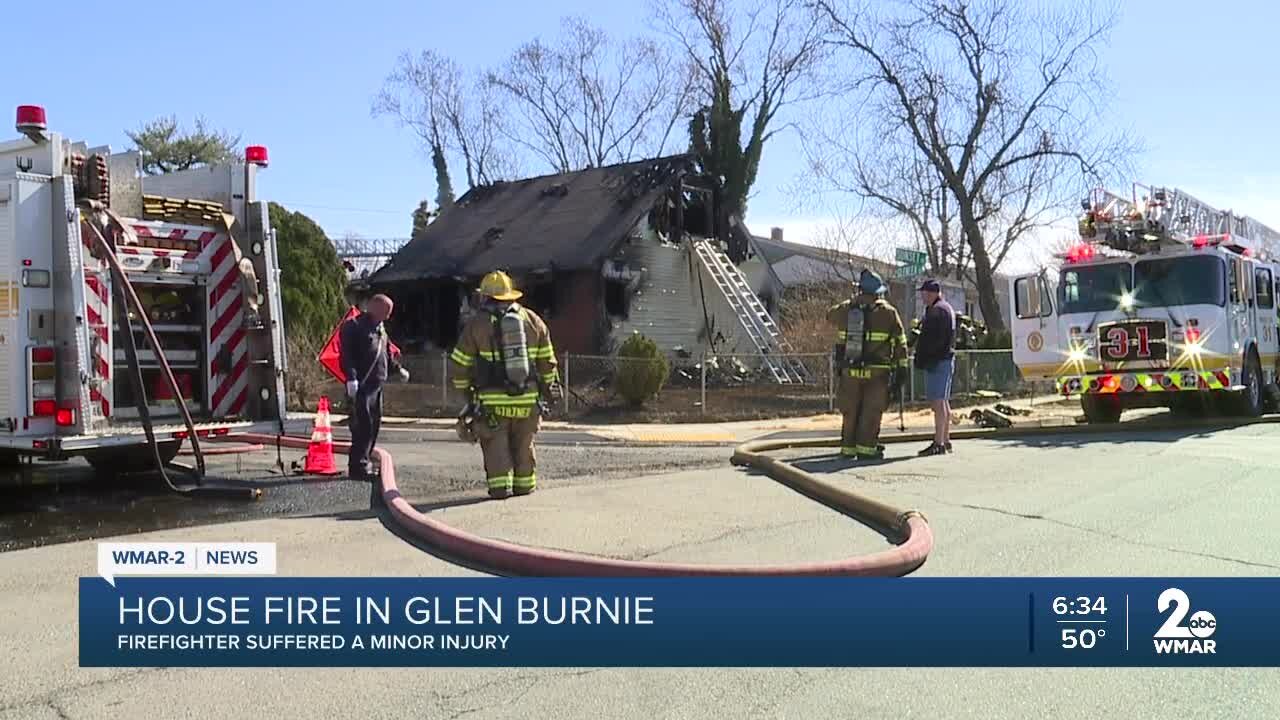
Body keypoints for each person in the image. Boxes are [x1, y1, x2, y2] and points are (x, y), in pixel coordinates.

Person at [450, 271, 563, 499]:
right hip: (527, 400)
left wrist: (466, 393)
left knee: (495, 446)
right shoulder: (533, 320)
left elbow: (460, 364)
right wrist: (550, 392)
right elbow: (547, 362)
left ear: (484, 297)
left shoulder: (476, 325)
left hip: (492, 404)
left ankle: (500, 489)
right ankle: (524, 487)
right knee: (524, 445)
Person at [826, 269, 909, 461]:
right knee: (871, 410)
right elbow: (900, 342)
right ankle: (867, 449)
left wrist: (851, 302)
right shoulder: (888, 312)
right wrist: (902, 368)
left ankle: (848, 449)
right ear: (878, 292)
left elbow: (829, 316)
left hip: (850, 371)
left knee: (850, 410)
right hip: (877, 373)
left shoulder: (847, 309)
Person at [339, 294, 410, 480]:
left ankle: (366, 460)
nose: (388, 316)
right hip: (361, 386)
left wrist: (398, 370)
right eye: (386, 311)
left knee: (374, 425)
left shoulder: (380, 329)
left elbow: (385, 354)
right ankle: (358, 467)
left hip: (376, 385)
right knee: (362, 426)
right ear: (374, 307)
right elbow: (347, 356)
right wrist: (351, 379)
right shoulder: (353, 327)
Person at [914, 279, 957, 456]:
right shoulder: (947, 308)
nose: (922, 296)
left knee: (937, 403)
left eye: (924, 293)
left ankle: (938, 443)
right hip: (946, 359)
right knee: (944, 401)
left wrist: (922, 357)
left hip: (937, 361)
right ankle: (945, 440)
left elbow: (930, 340)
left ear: (931, 293)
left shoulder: (936, 311)